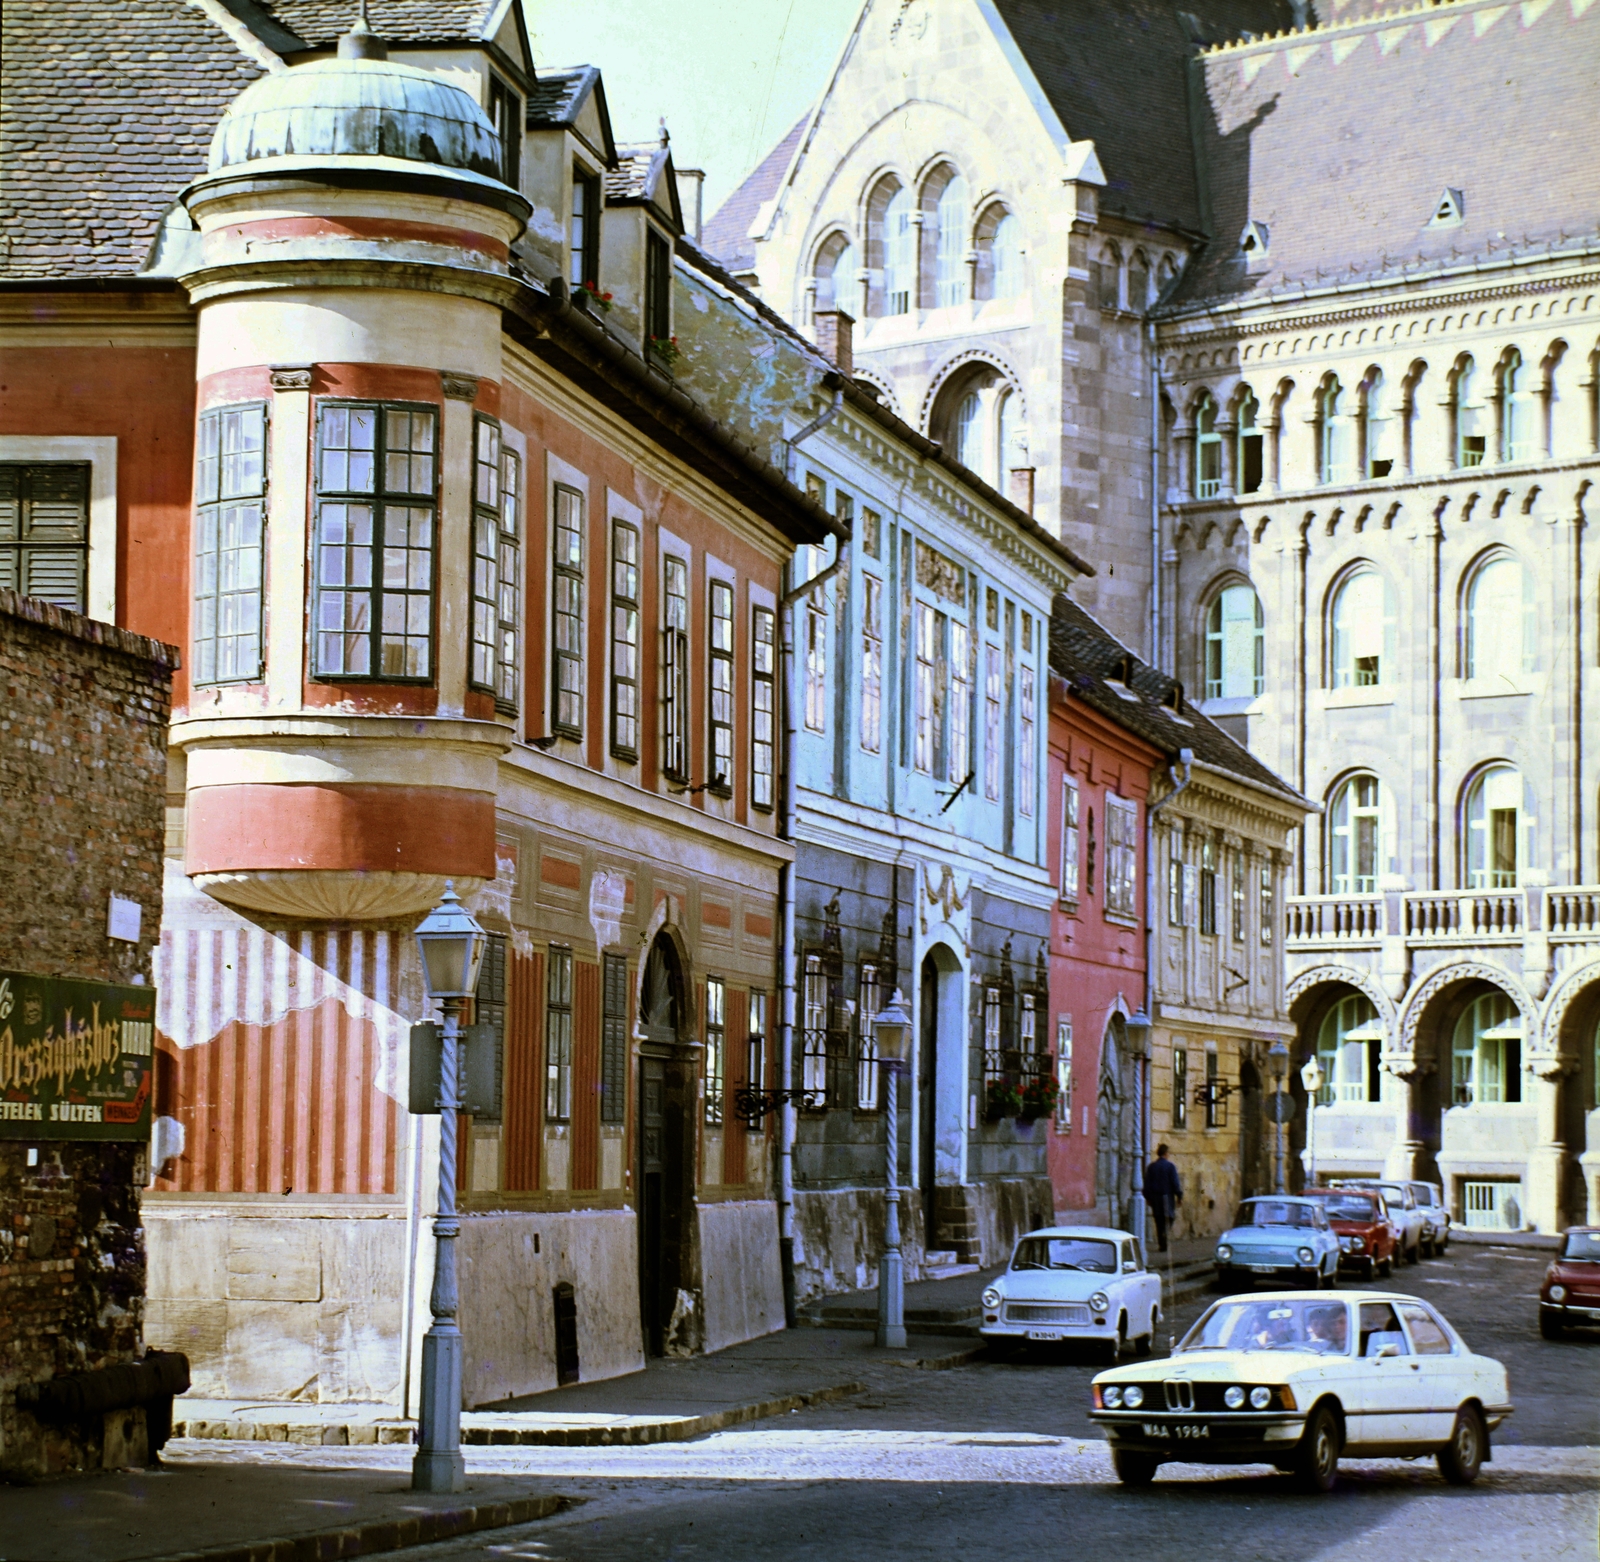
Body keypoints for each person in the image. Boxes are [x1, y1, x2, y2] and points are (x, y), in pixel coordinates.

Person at [1143, 1143, 1183, 1252]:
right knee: (1168, 1217)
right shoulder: (1170, 1166)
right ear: (1166, 1153)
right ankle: (1165, 1235)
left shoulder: (1152, 1167)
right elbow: (1175, 1183)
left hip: (1155, 1198)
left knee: (1158, 1220)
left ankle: (1162, 1243)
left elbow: (1147, 1183)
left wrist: (1148, 1197)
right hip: (1167, 1197)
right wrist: (1179, 1195)